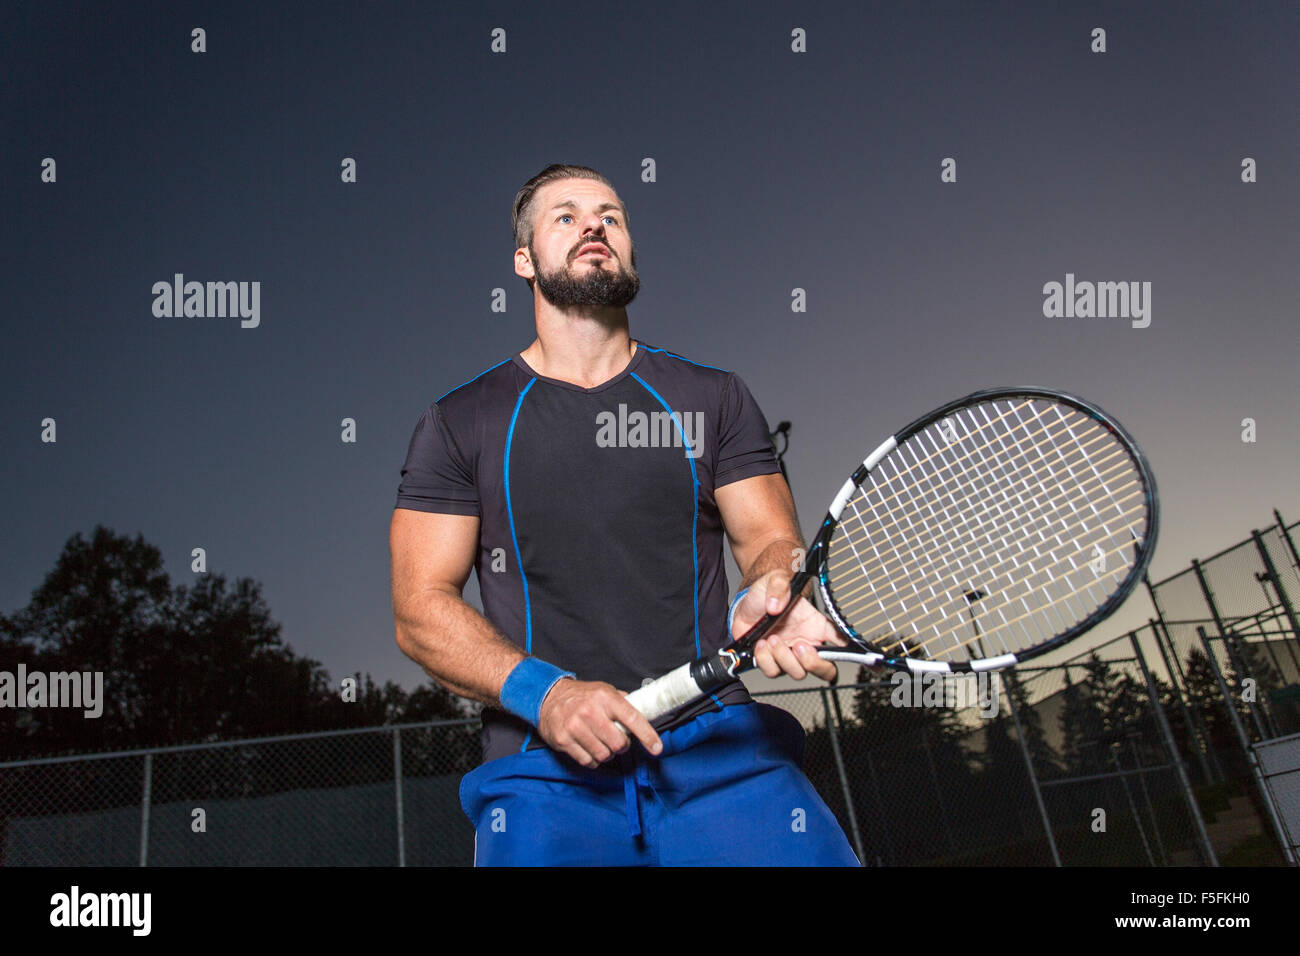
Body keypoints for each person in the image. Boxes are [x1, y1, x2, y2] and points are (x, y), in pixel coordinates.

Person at [390, 163, 859, 866]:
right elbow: (419, 609)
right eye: (566, 216)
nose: (594, 227)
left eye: (611, 215)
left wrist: (777, 589)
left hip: (723, 754)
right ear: (524, 260)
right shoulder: (460, 423)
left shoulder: (715, 399)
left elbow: (770, 540)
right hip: (544, 775)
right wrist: (547, 696)